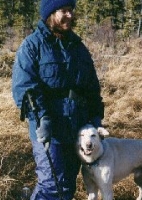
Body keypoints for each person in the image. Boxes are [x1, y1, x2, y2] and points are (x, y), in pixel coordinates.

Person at [12, 0, 104, 199]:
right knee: (53, 185)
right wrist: (41, 119)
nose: (70, 15)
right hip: (48, 129)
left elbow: (92, 89)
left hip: (76, 128)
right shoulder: (32, 46)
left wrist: (96, 119)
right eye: (64, 11)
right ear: (50, 14)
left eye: (71, 11)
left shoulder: (78, 48)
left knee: (67, 185)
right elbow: (25, 88)